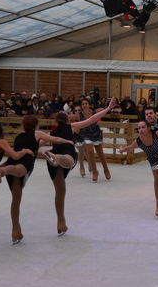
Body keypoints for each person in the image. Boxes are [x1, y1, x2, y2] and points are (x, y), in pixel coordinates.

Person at [0, 115, 74, 244]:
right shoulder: (36, 133)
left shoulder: (19, 136)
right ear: (36, 125)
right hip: (25, 161)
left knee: (16, 199)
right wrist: (67, 141)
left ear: (23, 125)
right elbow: (54, 138)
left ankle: (16, 231)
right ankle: (2, 170)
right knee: (19, 170)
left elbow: (14, 153)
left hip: (13, 159)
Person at [42, 98, 117, 235]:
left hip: (53, 159)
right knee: (68, 162)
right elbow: (93, 119)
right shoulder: (72, 127)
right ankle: (57, 158)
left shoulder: (52, 133)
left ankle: (61, 222)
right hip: (67, 157)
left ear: (56, 122)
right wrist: (108, 108)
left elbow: (41, 141)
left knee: (59, 193)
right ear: (68, 121)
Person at [79, 97, 111, 182]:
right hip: (86, 134)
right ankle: (95, 172)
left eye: (86, 103)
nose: (84, 105)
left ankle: (106, 169)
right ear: (81, 106)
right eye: (83, 104)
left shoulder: (94, 112)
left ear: (89, 105)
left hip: (96, 133)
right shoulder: (79, 114)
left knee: (100, 153)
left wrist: (109, 105)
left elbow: (104, 110)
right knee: (90, 152)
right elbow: (69, 118)